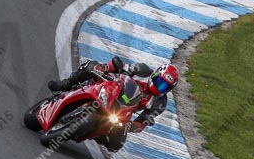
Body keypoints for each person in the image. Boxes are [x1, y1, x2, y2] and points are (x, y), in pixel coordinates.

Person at [48, 57, 179, 151]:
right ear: (155, 75)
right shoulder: (142, 70)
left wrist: (131, 126)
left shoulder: (160, 103)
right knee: (90, 66)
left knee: (115, 145)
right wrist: (105, 68)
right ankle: (65, 84)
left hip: (123, 111)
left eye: (164, 87)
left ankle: (96, 132)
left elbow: (143, 122)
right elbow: (121, 68)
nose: (160, 87)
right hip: (111, 89)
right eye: (159, 82)